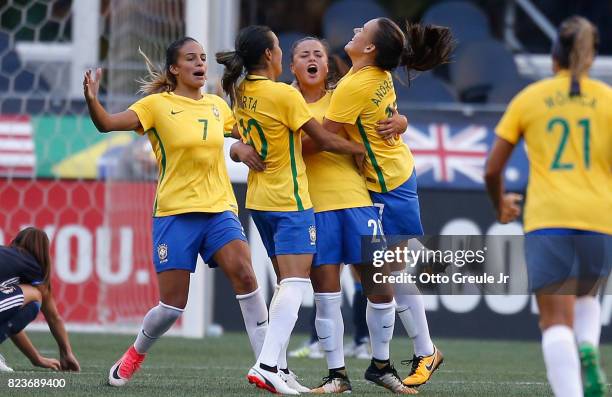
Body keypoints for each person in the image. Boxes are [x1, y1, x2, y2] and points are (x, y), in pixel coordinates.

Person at [83, 36, 269, 387]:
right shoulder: (155, 106)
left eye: (202, 57)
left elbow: (234, 140)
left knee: (245, 275)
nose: (200, 63)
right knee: (172, 307)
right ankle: (136, 352)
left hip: (218, 208)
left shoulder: (217, 105)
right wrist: (92, 100)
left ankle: (269, 366)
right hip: (175, 214)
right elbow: (106, 123)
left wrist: (239, 151)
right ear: (174, 68)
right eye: (190, 58)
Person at [216, 25, 365, 395]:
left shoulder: (242, 90)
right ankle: (267, 365)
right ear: (269, 56)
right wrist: (358, 151)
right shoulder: (284, 95)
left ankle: (279, 369)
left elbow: (234, 132)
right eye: (280, 48)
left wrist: (238, 149)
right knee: (297, 285)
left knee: (286, 285)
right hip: (290, 201)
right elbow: (324, 139)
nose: (281, 53)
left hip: (259, 202)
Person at [321, 18, 453, 389]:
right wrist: (403, 122)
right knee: (375, 274)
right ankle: (418, 351)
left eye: (360, 30)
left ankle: (424, 351)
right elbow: (386, 119)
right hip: (393, 179)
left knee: (384, 276)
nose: (354, 31)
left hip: (387, 187)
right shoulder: (374, 76)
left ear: (370, 49)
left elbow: (322, 136)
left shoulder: (357, 85)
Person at [485, 16, 611, 397]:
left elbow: (492, 168)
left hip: (549, 217)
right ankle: (588, 345)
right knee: (588, 294)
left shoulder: (530, 98)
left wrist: (501, 204)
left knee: (555, 321)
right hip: (599, 217)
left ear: (554, 56)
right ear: (588, 58)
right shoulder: (607, 99)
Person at [289, 36, 410, 393]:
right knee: (327, 294)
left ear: (328, 66)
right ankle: (336, 375)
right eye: (303, 55)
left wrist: (401, 121)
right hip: (317, 208)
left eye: (318, 55)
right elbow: (290, 145)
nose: (312, 59)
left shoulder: (343, 97)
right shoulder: (285, 102)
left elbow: (384, 124)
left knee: (381, 287)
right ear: (292, 66)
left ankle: (382, 365)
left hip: (359, 202)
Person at [0, 227, 80, 372]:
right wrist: (67, 352)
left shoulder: (7, 258)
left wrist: (36, 358)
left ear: (14, 241)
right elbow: (53, 317)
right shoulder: (32, 265)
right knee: (35, 297)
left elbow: (9, 324)